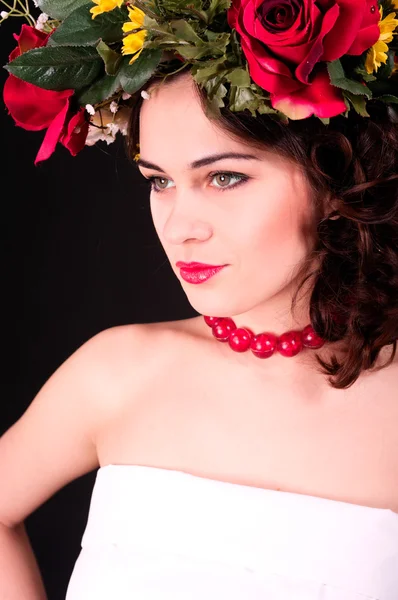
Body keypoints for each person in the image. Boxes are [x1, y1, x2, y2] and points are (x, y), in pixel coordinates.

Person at [1, 1, 398, 599]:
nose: (180, 225)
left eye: (225, 177)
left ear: (334, 175)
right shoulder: (120, 372)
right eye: (159, 180)